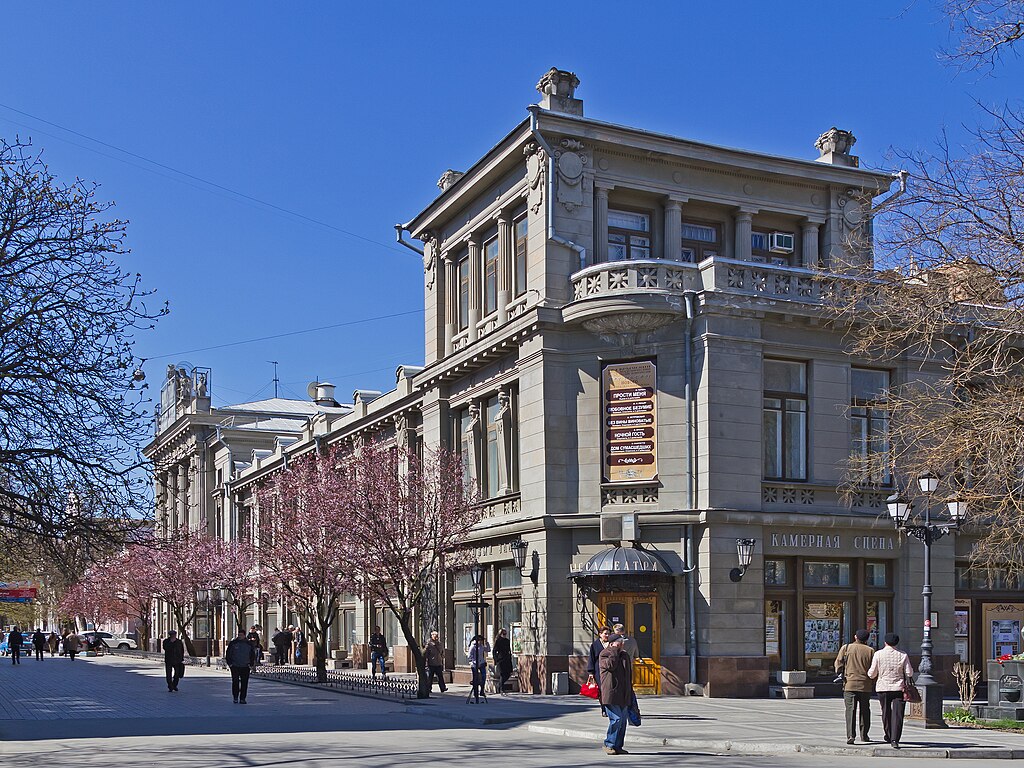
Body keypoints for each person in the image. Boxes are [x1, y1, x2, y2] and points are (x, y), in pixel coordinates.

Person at [868, 632, 915, 749]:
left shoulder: (878, 654)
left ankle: (888, 734)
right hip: (898, 687)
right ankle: (895, 739)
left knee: (886, 712)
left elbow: (872, 674)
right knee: (898, 714)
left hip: (882, 687)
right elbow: (909, 673)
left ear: (885, 642)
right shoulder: (903, 655)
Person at [835, 628, 876, 744]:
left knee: (850, 710)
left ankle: (850, 735)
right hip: (865, 684)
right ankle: (864, 735)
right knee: (865, 710)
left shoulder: (846, 648)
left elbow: (838, 664)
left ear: (855, 637)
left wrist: (840, 673)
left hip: (849, 684)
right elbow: (874, 668)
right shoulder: (870, 651)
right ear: (867, 639)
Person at [599, 635, 635, 755]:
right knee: (616, 719)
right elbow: (610, 666)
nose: (622, 644)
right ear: (612, 643)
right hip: (611, 693)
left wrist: (630, 690)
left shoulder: (624, 655)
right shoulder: (605, 654)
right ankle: (609, 744)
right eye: (619, 642)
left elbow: (628, 674)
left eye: (622, 642)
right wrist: (614, 650)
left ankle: (618, 746)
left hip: (624, 693)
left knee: (623, 721)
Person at [225, 627, 257, 703]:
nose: (239, 636)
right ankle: (235, 697)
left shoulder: (248, 644)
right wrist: (230, 664)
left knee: (244, 683)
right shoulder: (233, 643)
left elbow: (252, 654)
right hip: (235, 666)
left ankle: (243, 698)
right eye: (238, 635)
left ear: (244, 635)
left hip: (245, 666)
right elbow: (228, 654)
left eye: (241, 635)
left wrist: (251, 664)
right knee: (235, 681)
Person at [587, 626, 612, 715]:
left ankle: (610, 708)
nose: (607, 635)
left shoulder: (612, 644)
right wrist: (591, 672)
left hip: (610, 671)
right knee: (602, 691)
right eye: (605, 633)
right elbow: (591, 659)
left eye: (609, 633)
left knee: (609, 690)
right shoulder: (595, 645)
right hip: (599, 671)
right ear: (600, 634)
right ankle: (604, 708)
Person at [466, 633, 490, 703]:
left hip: (481, 663)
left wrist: (487, 643)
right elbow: (469, 656)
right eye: (481, 640)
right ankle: (476, 693)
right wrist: (472, 662)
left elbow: (488, 650)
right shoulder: (473, 646)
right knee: (475, 678)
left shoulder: (481, 646)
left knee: (483, 677)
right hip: (475, 664)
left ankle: (482, 690)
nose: (481, 642)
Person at [492, 628, 513, 695]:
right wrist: (496, 659)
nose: (504, 635)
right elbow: (494, 651)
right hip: (501, 660)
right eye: (503, 634)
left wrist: (510, 656)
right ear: (500, 634)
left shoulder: (507, 641)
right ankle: (502, 689)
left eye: (505, 634)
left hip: (507, 659)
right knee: (502, 674)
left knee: (508, 673)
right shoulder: (498, 641)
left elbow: (509, 650)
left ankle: (500, 685)